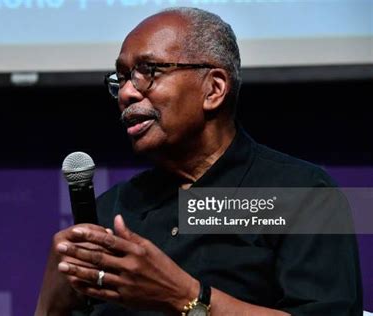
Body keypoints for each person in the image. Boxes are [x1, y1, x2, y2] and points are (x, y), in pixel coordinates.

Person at [34, 7, 362, 316]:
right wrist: (51, 303)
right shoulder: (112, 212)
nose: (126, 94)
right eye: (121, 78)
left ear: (214, 89)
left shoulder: (301, 195)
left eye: (148, 72)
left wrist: (186, 297)